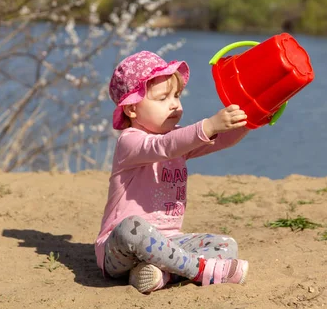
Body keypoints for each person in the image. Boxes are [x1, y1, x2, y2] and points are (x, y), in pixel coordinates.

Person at [95, 50, 251, 294]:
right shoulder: (130, 142)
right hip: (119, 250)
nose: (175, 104)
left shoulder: (178, 140)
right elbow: (164, 147)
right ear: (131, 109)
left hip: (168, 244)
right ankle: (199, 271)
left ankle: (161, 275)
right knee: (132, 227)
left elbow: (219, 140)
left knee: (225, 245)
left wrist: (250, 117)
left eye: (177, 95)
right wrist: (208, 125)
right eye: (163, 98)